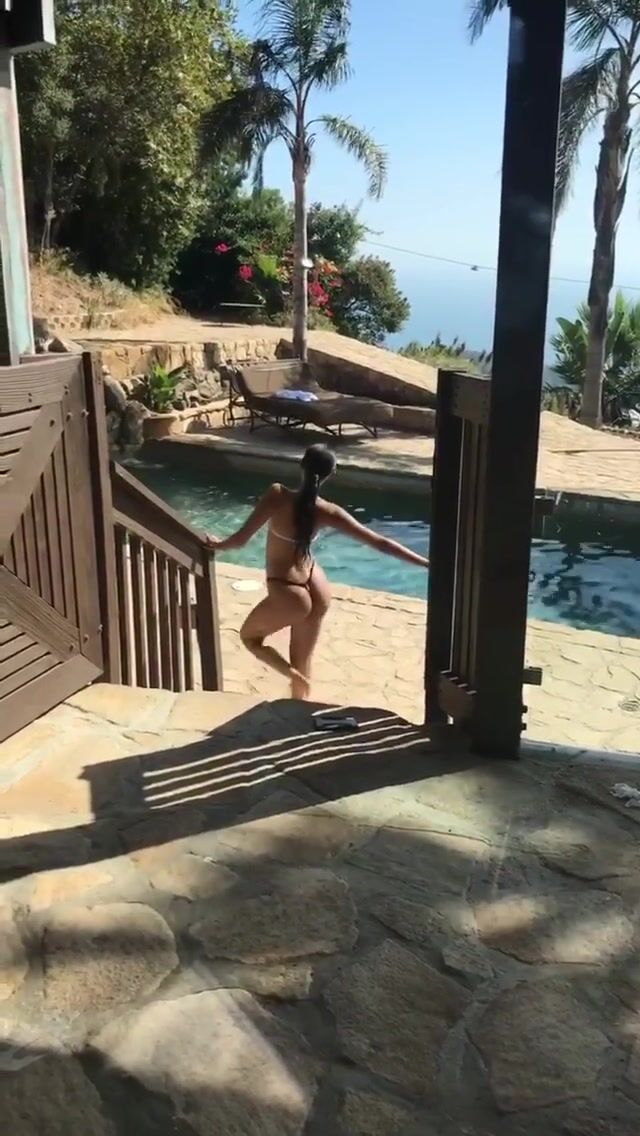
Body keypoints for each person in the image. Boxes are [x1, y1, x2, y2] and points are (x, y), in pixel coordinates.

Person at [206, 443, 429, 699]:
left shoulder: (277, 495)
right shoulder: (328, 511)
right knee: (303, 659)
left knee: (250, 638)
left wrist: (217, 544)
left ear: (301, 465)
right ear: (330, 475)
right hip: (316, 584)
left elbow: (239, 541)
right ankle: (299, 699)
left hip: (288, 590)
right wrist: (425, 563)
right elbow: (380, 543)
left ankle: (292, 676)